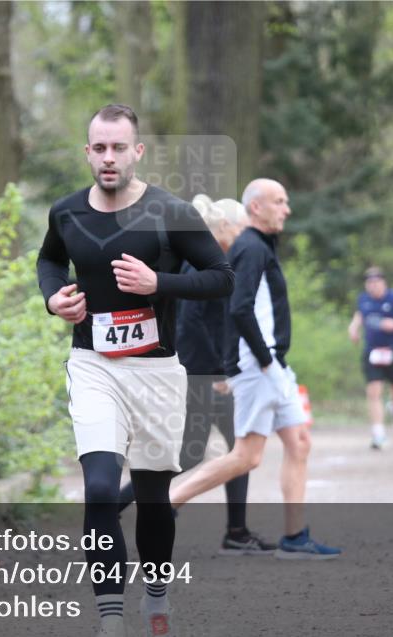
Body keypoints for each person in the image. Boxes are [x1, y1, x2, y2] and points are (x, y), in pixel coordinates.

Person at [37, 104, 233, 637]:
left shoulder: (170, 212)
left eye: (118, 148)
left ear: (137, 151)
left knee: (151, 499)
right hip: (93, 365)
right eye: (98, 148)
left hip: (155, 372)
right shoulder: (68, 212)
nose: (108, 158)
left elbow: (221, 278)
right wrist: (53, 298)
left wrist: (158, 283)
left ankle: (158, 607)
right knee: (99, 488)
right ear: (87, 151)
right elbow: (49, 261)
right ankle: (109, 626)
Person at [167, 178, 341, 560]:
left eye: (286, 200)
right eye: (279, 201)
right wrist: (260, 362)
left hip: (274, 365)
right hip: (260, 366)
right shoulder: (248, 247)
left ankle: (295, 537)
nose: (287, 208)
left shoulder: (260, 245)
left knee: (299, 443)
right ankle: (165, 505)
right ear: (256, 207)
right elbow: (239, 308)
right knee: (246, 456)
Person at [116, 196, 274, 554]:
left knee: (215, 450)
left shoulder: (213, 261)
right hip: (206, 374)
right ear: (224, 229)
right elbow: (191, 324)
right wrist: (218, 371)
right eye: (240, 228)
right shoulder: (199, 266)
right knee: (211, 451)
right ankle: (117, 507)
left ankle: (236, 529)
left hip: (207, 371)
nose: (244, 235)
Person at [347, 268, 393, 449]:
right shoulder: (363, 299)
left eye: (376, 282)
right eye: (369, 283)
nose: (373, 286)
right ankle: (378, 434)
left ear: (383, 283)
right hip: (372, 352)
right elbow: (359, 315)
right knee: (373, 392)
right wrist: (353, 328)